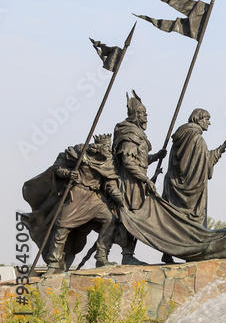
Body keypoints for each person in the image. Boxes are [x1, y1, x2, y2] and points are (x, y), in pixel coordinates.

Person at [22, 135, 125, 275]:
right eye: (105, 147)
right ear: (98, 146)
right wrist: (68, 173)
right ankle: (53, 263)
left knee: (110, 219)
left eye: (109, 147)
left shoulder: (108, 161)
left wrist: (119, 198)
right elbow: (57, 166)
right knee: (62, 226)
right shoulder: (79, 152)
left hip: (94, 198)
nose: (108, 150)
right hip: (77, 195)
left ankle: (101, 256)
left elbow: (111, 185)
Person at [112, 91, 166, 265]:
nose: (146, 117)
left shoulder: (137, 132)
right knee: (131, 216)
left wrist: (156, 156)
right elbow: (128, 162)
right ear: (134, 114)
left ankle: (127, 254)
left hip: (137, 180)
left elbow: (139, 160)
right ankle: (126, 255)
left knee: (136, 215)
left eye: (146, 113)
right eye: (143, 113)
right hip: (129, 182)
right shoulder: (129, 133)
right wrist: (145, 180)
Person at [163, 108, 226, 226]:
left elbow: (202, 160)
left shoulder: (182, 136)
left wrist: (223, 146)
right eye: (207, 119)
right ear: (199, 119)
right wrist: (223, 147)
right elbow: (206, 163)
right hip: (191, 194)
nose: (209, 123)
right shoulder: (197, 139)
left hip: (173, 187)